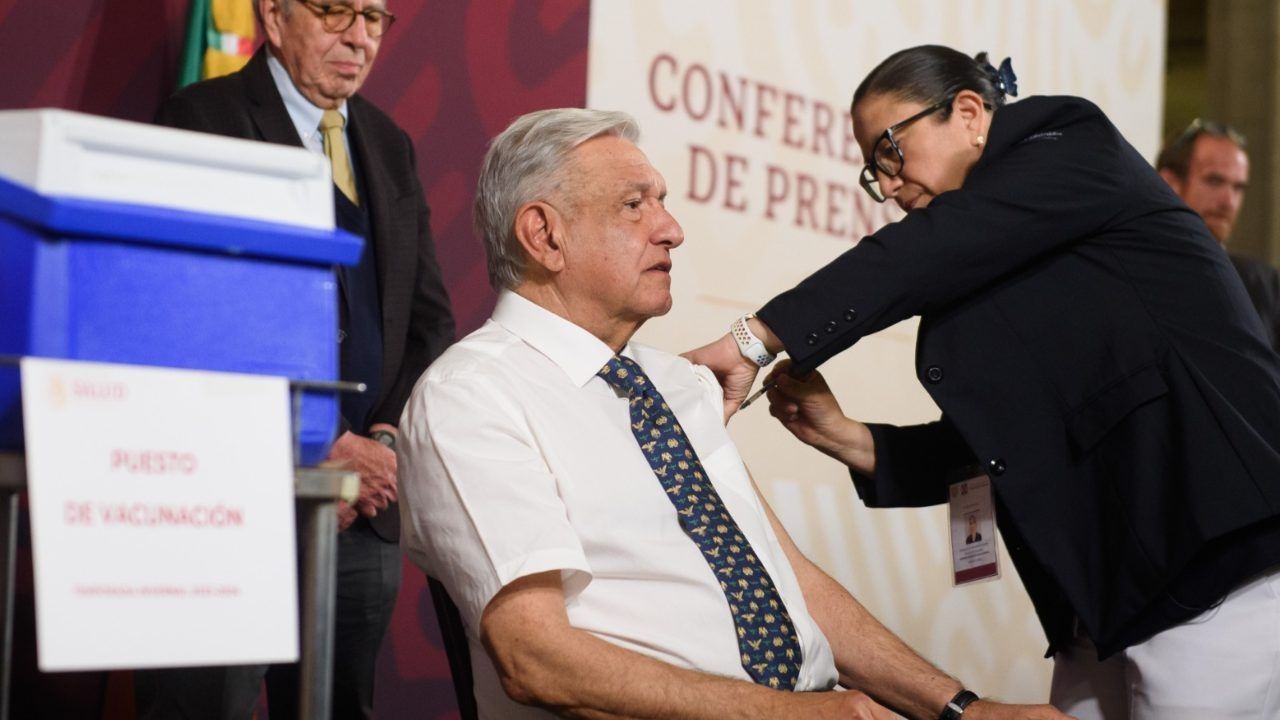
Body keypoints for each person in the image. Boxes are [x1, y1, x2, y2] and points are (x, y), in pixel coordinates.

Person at [398, 108, 1068, 720]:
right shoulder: (472, 396)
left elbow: (788, 577)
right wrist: (790, 715)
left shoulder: (677, 383)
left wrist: (960, 711)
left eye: (662, 200)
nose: (672, 229)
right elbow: (535, 659)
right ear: (544, 235)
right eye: (635, 205)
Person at [686, 45, 1280, 719]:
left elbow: (923, 253)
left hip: (1208, 558)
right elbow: (1016, 442)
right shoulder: (1005, 251)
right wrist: (854, 440)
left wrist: (756, 338)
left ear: (969, 112)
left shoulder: (1071, 143)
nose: (890, 186)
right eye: (874, 172)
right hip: (1109, 601)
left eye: (890, 151)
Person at [138, 1, 455, 717]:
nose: (358, 35)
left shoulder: (389, 142)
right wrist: (314, 442)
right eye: (335, 10)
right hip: (233, 498)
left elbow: (427, 322)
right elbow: (186, 314)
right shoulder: (202, 120)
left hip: (361, 508)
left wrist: (380, 441)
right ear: (274, 18)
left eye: (374, 16)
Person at [1155, 118, 1280, 351]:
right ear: (1170, 183)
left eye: (1238, 187)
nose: (1229, 202)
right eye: (1214, 181)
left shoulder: (1265, 286)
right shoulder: (1131, 273)